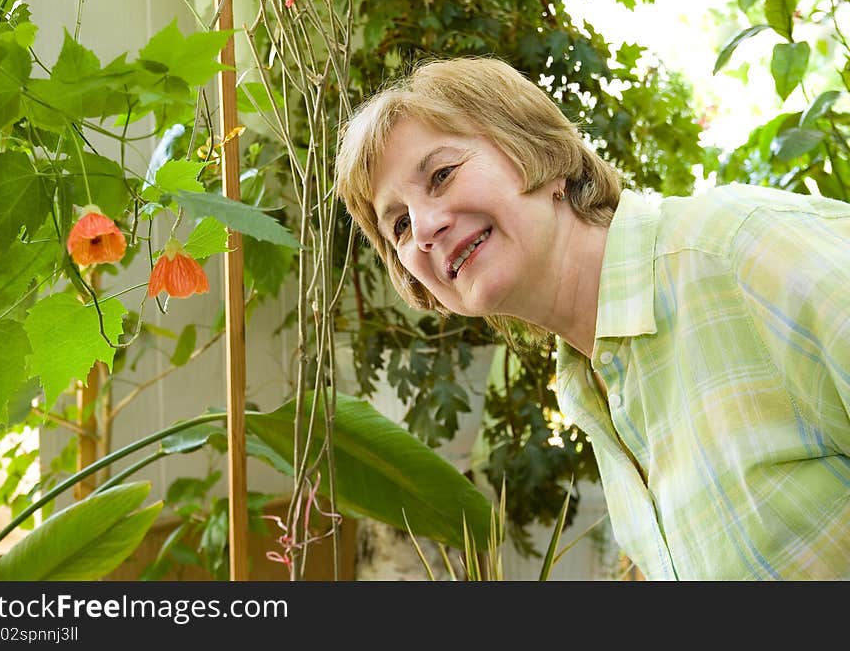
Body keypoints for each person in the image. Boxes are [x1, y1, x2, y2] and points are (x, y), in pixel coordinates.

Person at [334, 56, 850, 580]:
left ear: (542, 154)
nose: (423, 228)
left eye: (442, 175)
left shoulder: (739, 250)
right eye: (397, 225)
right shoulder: (586, 383)